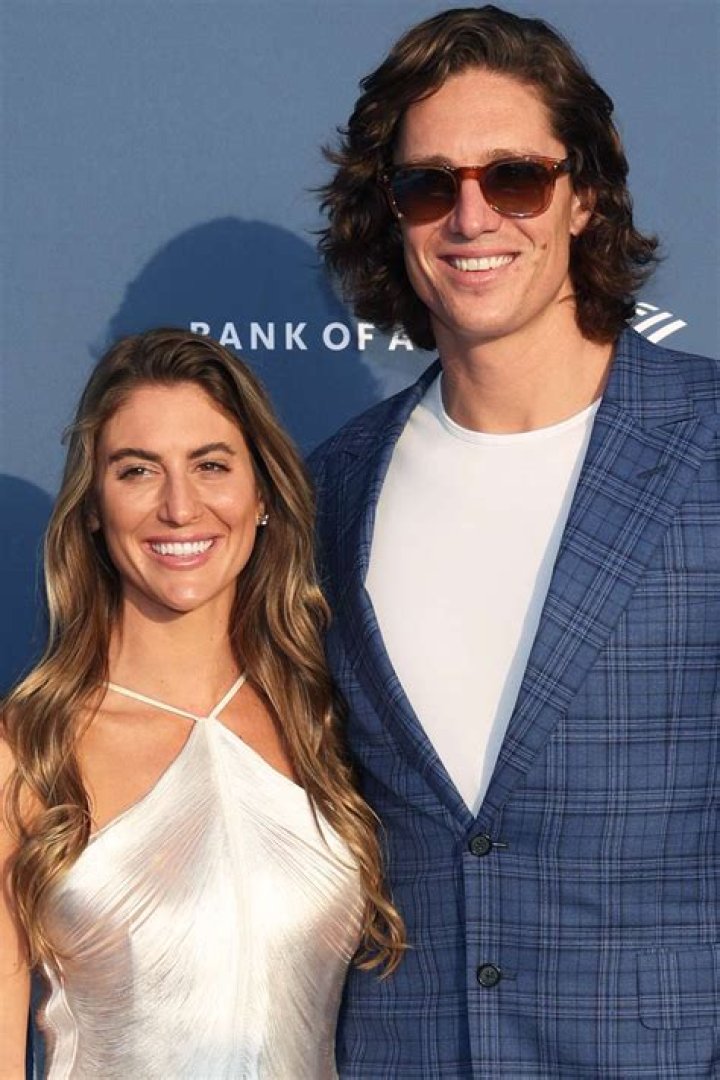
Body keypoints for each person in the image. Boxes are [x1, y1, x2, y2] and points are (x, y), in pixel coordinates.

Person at [311, 6, 719, 1077]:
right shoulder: (329, 490)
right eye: (429, 184)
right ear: (391, 213)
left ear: (585, 195)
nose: (472, 216)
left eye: (517, 178)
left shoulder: (710, 444)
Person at [0, 329, 404, 1079]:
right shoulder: (25, 750)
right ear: (93, 507)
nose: (180, 507)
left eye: (211, 465)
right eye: (137, 471)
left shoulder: (328, 723)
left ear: (261, 496)